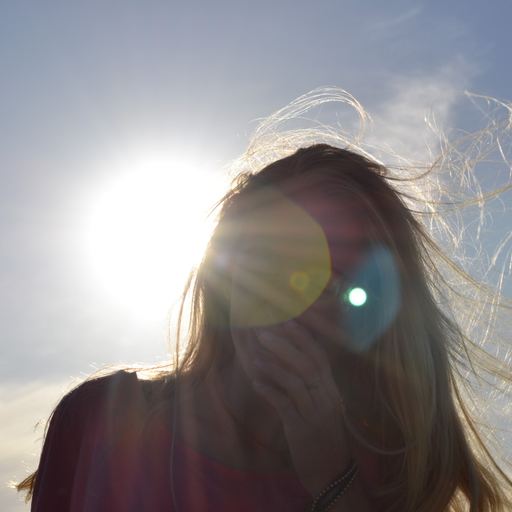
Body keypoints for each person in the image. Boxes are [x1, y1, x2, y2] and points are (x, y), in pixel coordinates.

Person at [16, 90, 512, 511]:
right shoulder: (98, 420)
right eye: (276, 253)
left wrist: (332, 475)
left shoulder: (385, 471)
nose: (300, 290)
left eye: (344, 284)